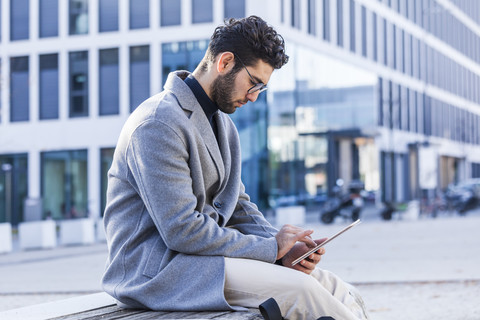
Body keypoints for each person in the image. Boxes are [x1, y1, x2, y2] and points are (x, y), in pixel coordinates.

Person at [102, 16, 369, 320]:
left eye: (262, 89)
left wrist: (286, 249)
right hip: (159, 271)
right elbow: (182, 231)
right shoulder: (157, 123)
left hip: (203, 261)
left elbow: (238, 205)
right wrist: (271, 249)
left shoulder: (223, 126)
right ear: (225, 62)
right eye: (254, 83)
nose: (254, 97)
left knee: (336, 287)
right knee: (301, 292)